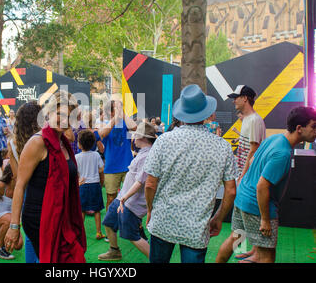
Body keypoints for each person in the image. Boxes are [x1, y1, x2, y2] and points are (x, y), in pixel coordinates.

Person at [143, 84, 238, 263]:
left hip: (164, 219)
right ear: (206, 114)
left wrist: (150, 210)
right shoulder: (222, 146)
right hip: (196, 227)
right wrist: (218, 217)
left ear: (182, 113)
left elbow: (150, 183)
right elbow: (231, 191)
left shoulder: (164, 141)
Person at [216, 106, 316, 263]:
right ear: (299, 128)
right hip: (256, 206)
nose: (315, 131)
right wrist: (265, 219)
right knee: (267, 257)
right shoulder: (282, 153)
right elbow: (262, 186)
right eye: (313, 126)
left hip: (242, 198)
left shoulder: (274, 138)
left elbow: (252, 160)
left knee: (236, 237)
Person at [4, 91, 86, 263]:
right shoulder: (37, 142)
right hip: (40, 220)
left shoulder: (63, 142)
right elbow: (20, 185)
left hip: (61, 217)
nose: (64, 120)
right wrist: (13, 226)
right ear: (48, 113)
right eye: (60, 114)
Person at [98, 122, 157, 261]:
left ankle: (156, 259)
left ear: (142, 138)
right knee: (109, 223)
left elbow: (139, 182)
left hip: (130, 203)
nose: (132, 138)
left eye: (135, 135)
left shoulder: (147, 156)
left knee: (131, 235)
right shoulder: (144, 153)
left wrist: (124, 198)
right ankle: (114, 251)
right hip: (124, 199)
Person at [228, 85, 266, 261]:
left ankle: (255, 252)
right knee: (239, 217)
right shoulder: (248, 120)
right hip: (244, 176)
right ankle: (243, 250)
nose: (234, 100)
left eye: (236, 97)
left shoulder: (255, 120)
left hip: (249, 178)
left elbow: (253, 151)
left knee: (248, 216)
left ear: (245, 98)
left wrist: (242, 175)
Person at [5, 100, 42, 263]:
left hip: (26, 192)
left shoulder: (12, 142)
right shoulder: (41, 140)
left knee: (30, 235)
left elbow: (16, 175)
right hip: (42, 190)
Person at [98, 100, 137, 211]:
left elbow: (135, 128)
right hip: (111, 166)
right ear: (111, 111)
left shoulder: (125, 121)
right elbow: (102, 134)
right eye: (117, 108)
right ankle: (110, 224)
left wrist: (123, 114)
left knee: (130, 197)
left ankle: (127, 222)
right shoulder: (103, 122)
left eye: (121, 107)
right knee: (111, 197)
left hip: (127, 165)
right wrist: (115, 118)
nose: (120, 110)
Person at [76, 130, 105, 240]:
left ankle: (80, 233)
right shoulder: (96, 155)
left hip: (82, 185)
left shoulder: (77, 157)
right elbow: (101, 169)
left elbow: (76, 172)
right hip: (95, 185)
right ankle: (98, 232)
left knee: (82, 210)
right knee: (97, 210)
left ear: (79, 144)